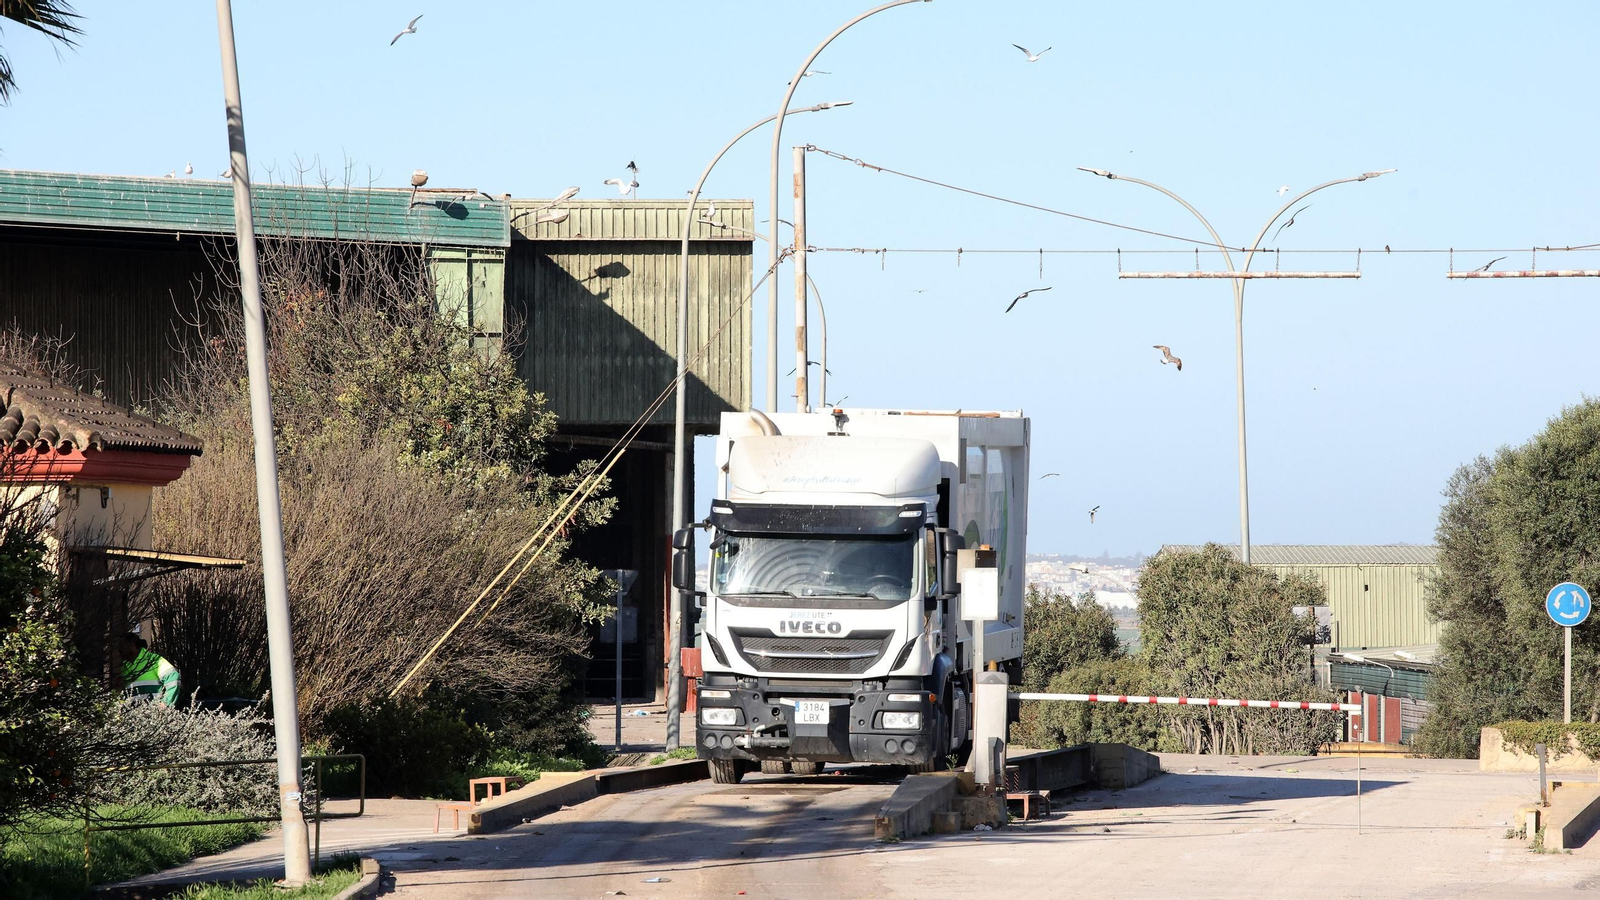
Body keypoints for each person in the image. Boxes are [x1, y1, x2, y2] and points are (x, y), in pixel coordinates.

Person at [119, 633, 181, 705]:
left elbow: (173, 678)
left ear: (132, 645)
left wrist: (165, 703)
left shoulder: (154, 660)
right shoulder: (123, 666)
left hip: (153, 710)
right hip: (132, 710)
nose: (119, 649)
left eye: (122, 646)